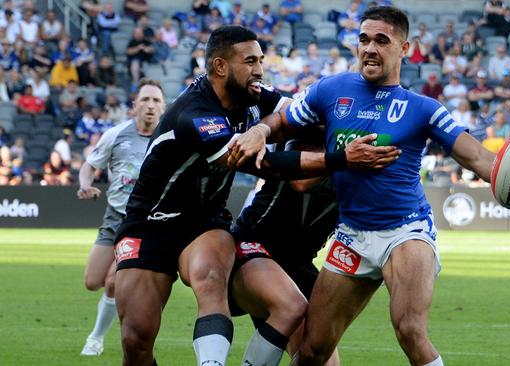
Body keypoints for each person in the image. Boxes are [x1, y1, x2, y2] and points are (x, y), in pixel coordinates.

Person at [228, 8, 510, 366]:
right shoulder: (330, 91)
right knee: (312, 352)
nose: (370, 48)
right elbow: (283, 121)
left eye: (381, 40)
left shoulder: (423, 109)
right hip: (351, 235)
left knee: (409, 329)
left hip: (405, 230)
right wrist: (260, 130)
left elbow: (479, 158)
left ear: (404, 48)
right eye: (364, 39)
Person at [112, 25, 399, 366]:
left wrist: (346, 119)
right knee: (136, 338)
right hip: (151, 223)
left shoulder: (255, 95)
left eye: (261, 60)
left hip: (206, 221)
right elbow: (267, 166)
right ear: (220, 67)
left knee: (211, 280)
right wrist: (341, 158)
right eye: (250, 61)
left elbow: (300, 112)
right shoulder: (194, 116)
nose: (259, 70)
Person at [229, 136, 341, 366]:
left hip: (298, 263)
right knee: (291, 306)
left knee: (321, 361)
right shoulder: (305, 126)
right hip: (253, 247)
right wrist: (346, 158)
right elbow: (300, 180)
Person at [77, 79, 165, 356]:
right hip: (114, 216)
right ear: (134, 105)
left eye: (156, 101)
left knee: (114, 281)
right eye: (145, 100)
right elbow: (89, 166)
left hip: (144, 222)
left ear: (163, 107)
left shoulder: (169, 139)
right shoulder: (116, 134)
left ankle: (95, 339)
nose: (150, 105)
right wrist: (84, 184)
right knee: (93, 281)